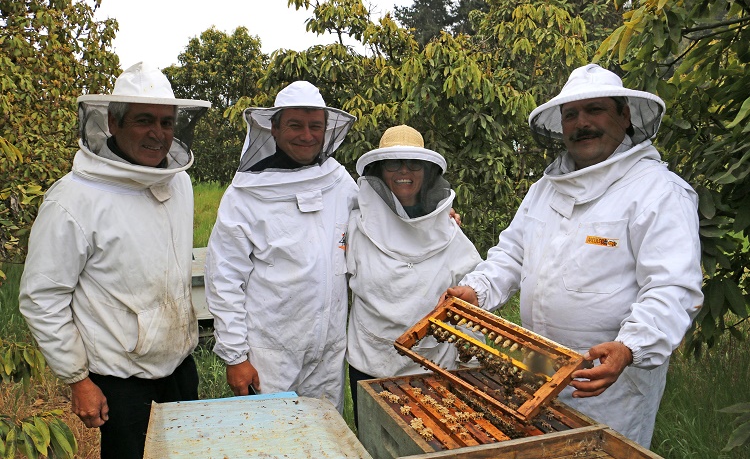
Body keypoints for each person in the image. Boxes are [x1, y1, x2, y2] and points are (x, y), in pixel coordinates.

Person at [445, 64, 703, 448]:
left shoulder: (659, 192)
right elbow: (512, 254)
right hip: (534, 368)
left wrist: (631, 345)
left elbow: (672, 286)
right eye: (571, 115)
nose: (581, 123)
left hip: (608, 384)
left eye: (595, 109)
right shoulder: (544, 190)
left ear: (624, 115)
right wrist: (477, 290)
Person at [18, 62, 210, 459]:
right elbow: (42, 297)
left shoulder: (181, 183)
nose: (158, 134)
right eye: (144, 120)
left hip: (179, 366)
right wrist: (77, 380)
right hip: (121, 381)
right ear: (112, 122)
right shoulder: (73, 199)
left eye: (167, 121)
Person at [205, 81, 357, 412]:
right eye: (295, 125)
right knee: (272, 440)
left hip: (329, 349)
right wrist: (235, 357)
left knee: (323, 438)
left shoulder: (339, 181)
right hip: (269, 355)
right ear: (274, 128)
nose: (307, 135)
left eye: (315, 126)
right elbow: (224, 278)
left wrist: (437, 211)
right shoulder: (245, 195)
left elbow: (379, 216)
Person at [345, 125, 482, 423]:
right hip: (371, 362)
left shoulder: (449, 228)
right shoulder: (355, 224)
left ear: (427, 172)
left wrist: (470, 362)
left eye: (413, 164)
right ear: (380, 171)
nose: (403, 171)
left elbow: (472, 294)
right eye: (394, 163)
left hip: (433, 366)